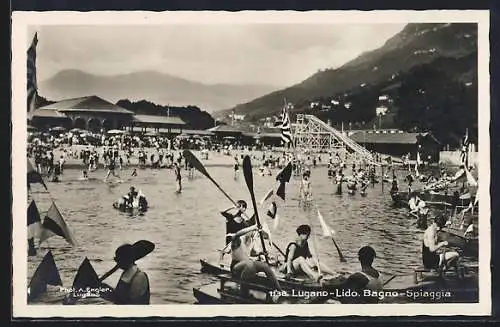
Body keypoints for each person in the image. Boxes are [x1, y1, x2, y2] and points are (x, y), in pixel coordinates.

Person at [228, 224, 282, 300]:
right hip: (236, 268)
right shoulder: (237, 240)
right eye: (249, 231)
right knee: (251, 263)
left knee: (265, 266)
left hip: (248, 268)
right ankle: (243, 292)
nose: (250, 233)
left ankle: (279, 290)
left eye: (252, 231)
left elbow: (253, 253)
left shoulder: (251, 241)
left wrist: (261, 253)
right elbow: (237, 233)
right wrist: (253, 227)